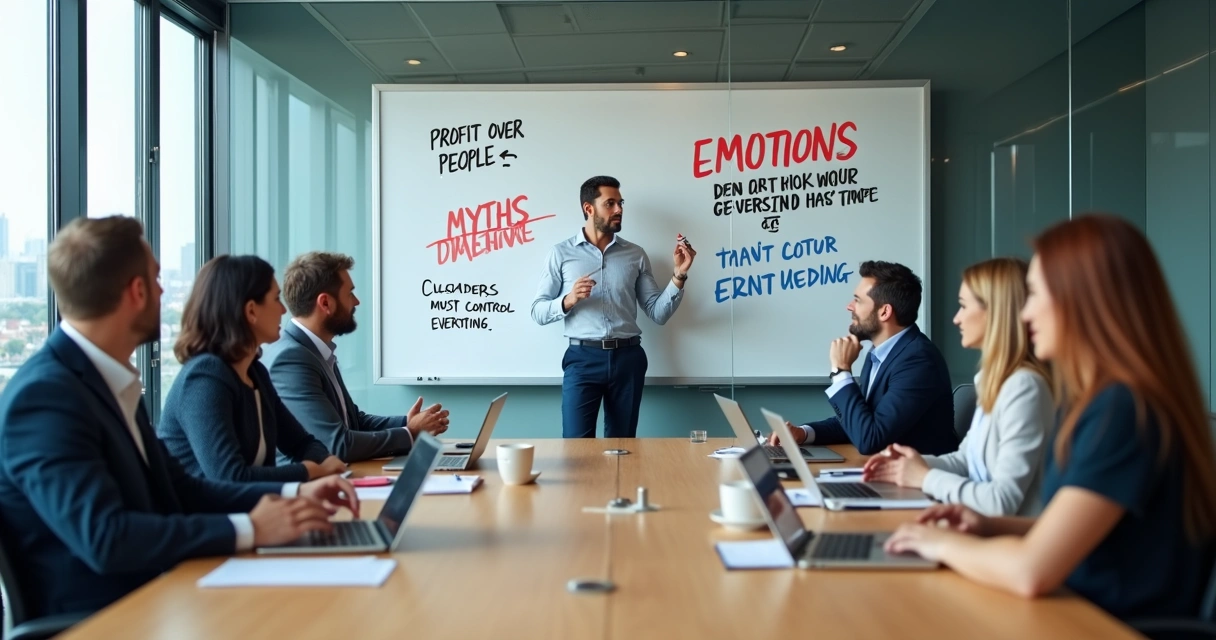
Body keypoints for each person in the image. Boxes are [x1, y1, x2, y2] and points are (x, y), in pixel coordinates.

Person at [0, 217, 356, 618]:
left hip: (163, 592)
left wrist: (294, 497)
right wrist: (252, 528)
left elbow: (183, 489)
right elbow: (107, 538)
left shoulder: (109, 382)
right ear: (136, 292)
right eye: (155, 279)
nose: (163, 289)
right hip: (109, 618)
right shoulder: (46, 396)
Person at [884, 214, 1216, 620]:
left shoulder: (1122, 410)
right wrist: (988, 527)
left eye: (1036, 295)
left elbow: (1030, 572)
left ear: (1084, 300)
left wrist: (935, 543)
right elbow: (1084, 532)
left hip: (1094, 622)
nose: (1024, 315)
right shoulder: (1111, 400)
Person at [862, 258, 1052, 516]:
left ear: (996, 313)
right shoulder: (995, 380)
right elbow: (965, 461)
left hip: (1005, 542)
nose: (956, 319)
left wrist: (924, 477)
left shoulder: (1024, 387)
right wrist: (905, 466)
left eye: (963, 306)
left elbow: (1001, 502)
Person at [531, 175, 696, 438]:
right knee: (576, 447)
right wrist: (569, 300)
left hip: (628, 359)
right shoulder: (561, 253)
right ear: (589, 208)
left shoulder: (635, 254)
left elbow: (658, 313)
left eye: (620, 203)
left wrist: (679, 275)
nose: (619, 209)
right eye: (610, 203)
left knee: (623, 450)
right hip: (582, 360)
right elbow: (537, 311)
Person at [158, 255, 346, 483]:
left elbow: (302, 443)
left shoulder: (255, 373)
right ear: (251, 311)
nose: (283, 310)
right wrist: (310, 471)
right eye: (276, 299)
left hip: (252, 511)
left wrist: (324, 462)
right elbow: (230, 477)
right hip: (208, 516)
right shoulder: (204, 378)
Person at [262, 251, 449, 462]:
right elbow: (337, 444)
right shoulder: (291, 360)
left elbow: (353, 422)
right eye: (350, 293)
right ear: (325, 303)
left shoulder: (315, 350)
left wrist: (407, 422)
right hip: (310, 487)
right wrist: (410, 433)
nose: (357, 302)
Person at [770, 261, 956, 455]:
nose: (849, 307)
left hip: (918, 479)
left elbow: (870, 439)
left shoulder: (918, 361)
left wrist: (841, 371)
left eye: (857, 300)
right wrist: (803, 433)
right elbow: (860, 421)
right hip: (886, 471)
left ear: (884, 312)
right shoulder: (879, 354)